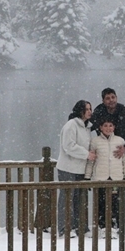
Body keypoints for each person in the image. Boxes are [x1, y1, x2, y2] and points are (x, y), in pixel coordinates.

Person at [55, 100, 95, 234]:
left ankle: (79, 227)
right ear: (80, 111)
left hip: (80, 168)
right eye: (87, 109)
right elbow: (68, 146)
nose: (90, 111)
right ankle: (64, 228)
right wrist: (86, 154)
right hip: (68, 168)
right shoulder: (71, 125)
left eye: (90, 109)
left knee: (79, 199)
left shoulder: (87, 127)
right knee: (67, 199)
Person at [91, 88, 125, 178]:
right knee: (106, 190)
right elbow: (86, 127)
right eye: (108, 98)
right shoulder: (98, 113)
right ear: (103, 101)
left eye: (113, 97)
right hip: (105, 160)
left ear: (116, 98)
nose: (111, 100)